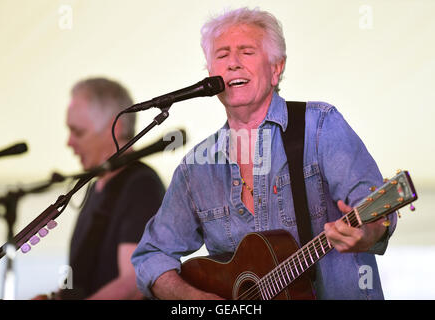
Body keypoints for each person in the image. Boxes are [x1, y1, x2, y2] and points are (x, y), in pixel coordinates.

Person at [131, 7, 397, 300]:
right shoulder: (196, 167)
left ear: (276, 68)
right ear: (210, 75)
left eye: (246, 52)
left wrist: (368, 232)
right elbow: (150, 256)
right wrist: (194, 299)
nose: (232, 63)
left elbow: (377, 210)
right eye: (222, 55)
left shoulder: (319, 126)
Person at [39, 78, 165, 299]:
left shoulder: (141, 185)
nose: (69, 142)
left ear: (112, 130)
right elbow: (89, 276)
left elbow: (133, 282)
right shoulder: (95, 186)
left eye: (77, 132)